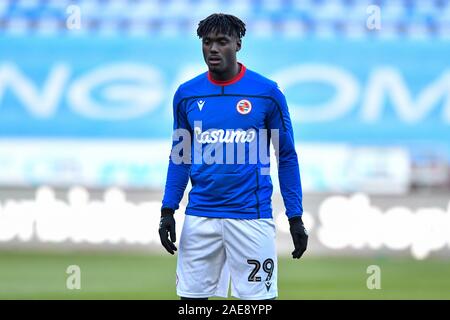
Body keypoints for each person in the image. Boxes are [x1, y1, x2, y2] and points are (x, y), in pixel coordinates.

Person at [159, 13, 308, 300]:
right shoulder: (186, 95)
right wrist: (168, 210)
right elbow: (180, 156)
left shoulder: (266, 93)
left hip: (251, 219)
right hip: (200, 217)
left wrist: (295, 217)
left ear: (238, 44)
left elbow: (286, 156)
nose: (213, 49)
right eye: (207, 42)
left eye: (221, 41)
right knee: (191, 304)